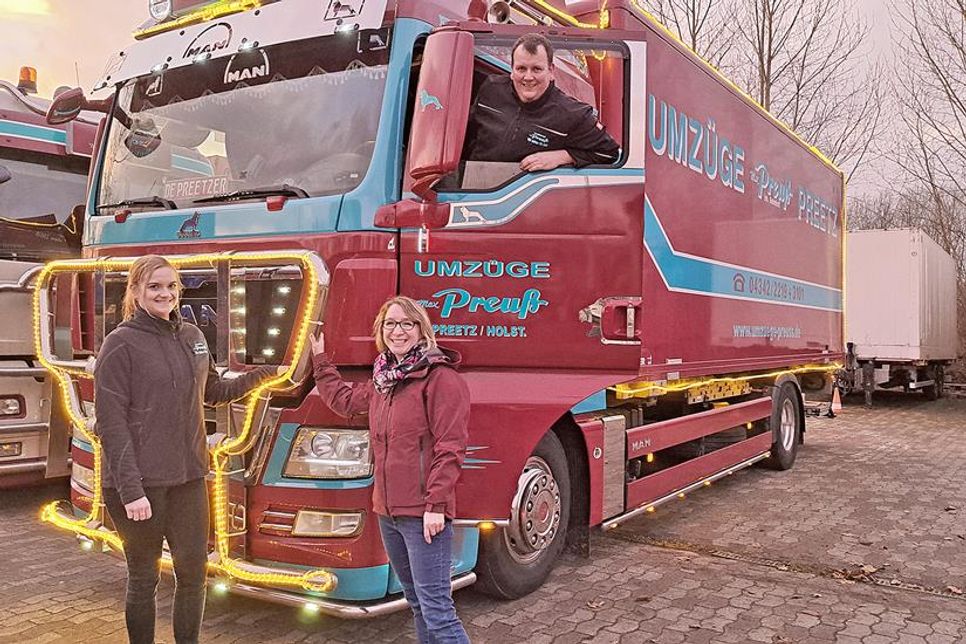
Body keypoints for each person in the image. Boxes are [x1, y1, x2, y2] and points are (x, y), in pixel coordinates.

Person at [95, 255, 280, 644]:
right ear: (135, 292)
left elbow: (213, 393)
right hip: (139, 485)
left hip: (189, 478)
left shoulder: (193, 337)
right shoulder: (120, 344)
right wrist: (131, 492)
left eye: (170, 286)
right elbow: (112, 424)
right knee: (144, 578)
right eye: (154, 287)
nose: (165, 294)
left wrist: (266, 374)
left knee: (194, 577)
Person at [309, 296, 471, 644]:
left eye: (406, 323)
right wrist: (321, 362)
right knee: (417, 603)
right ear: (381, 331)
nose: (398, 331)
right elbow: (346, 402)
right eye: (390, 324)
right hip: (388, 512)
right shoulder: (385, 381)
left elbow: (450, 446)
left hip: (423, 514)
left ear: (421, 329)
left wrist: (436, 505)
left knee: (438, 612)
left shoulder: (440, 379)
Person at [463, 32, 620, 172]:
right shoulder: (491, 88)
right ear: (512, 70)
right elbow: (466, 133)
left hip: (522, 196)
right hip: (473, 187)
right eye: (521, 69)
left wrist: (562, 156)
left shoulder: (572, 114)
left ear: (551, 71)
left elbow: (608, 152)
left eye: (536, 69)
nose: (528, 77)